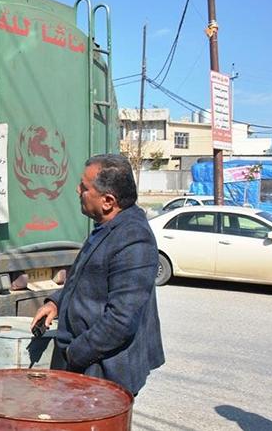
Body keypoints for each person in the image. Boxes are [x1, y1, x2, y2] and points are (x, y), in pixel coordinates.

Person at [32, 154, 165, 396]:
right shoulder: (108, 226)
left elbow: (121, 320)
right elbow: (86, 279)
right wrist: (56, 302)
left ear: (107, 201)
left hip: (105, 371)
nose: (77, 190)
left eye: (84, 187)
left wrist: (74, 353)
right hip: (88, 363)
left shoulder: (134, 238)